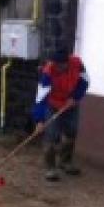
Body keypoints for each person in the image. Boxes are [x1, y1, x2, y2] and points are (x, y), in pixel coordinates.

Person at [32, 46, 89, 182]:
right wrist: (39, 121)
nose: (58, 67)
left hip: (70, 103)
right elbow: (41, 98)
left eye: (60, 65)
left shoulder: (77, 63)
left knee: (71, 132)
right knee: (51, 136)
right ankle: (50, 168)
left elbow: (85, 81)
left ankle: (65, 162)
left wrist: (75, 97)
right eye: (56, 64)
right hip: (52, 104)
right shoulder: (48, 72)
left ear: (67, 62)